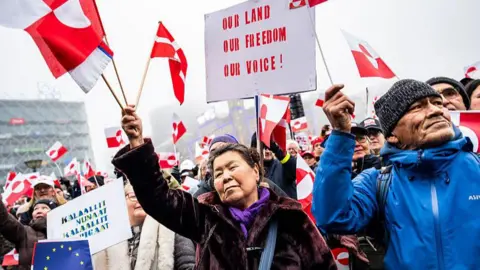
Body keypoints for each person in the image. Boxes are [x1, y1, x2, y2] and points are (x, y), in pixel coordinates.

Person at [114, 105, 336, 269]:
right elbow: (158, 198)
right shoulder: (205, 218)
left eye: (232, 167)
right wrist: (137, 144)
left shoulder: (293, 220)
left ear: (256, 171)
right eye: (218, 173)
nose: (226, 176)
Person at [313, 80, 480, 269]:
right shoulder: (377, 182)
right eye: (417, 107)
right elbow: (333, 218)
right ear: (392, 134)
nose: (435, 110)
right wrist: (340, 135)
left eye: (438, 103)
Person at [93, 183, 193, 270]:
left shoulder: (173, 226)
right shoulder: (109, 236)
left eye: (145, 195)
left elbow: (187, 262)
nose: (139, 200)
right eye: (133, 196)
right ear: (123, 202)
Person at [0, 198, 56, 270]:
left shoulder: (62, 232)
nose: (39, 211)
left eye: (44, 208)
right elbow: (6, 221)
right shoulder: (25, 231)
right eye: (35, 209)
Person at [251, 133, 297, 199]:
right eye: (263, 148)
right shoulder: (251, 172)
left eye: (269, 148)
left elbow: (295, 168)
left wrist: (277, 150)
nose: (267, 151)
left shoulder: (283, 166)